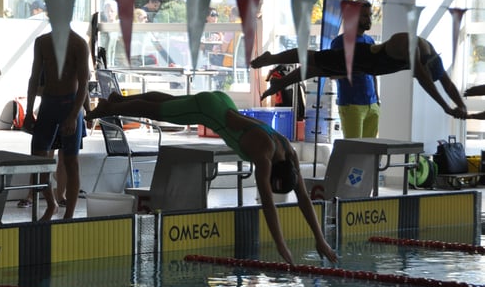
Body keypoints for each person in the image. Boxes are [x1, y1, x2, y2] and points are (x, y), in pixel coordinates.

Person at [85, 90, 338, 265]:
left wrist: (320, 240)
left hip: (221, 102)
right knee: (159, 111)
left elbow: (304, 198)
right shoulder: (264, 155)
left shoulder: (287, 152)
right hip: (209, 110)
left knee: (168, 104)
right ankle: (110, 107)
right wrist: (281, 244)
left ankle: (119, 99)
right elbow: (268, 206)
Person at [250, 32, 467, 119]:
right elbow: (425, 80)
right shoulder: (409, 44)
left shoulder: (433, 59)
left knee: (317, 69)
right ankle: (271, 58)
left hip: (365, 68)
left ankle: (281, 83)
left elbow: (447, 84)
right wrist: (445, 107)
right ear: (425, 64)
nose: (416, 74)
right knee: (313, 59)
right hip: (359, 57)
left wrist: (461, 106)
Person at [22, 29, 91, 221]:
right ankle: (51, 204)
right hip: (48, 105)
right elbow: (34, 77)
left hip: (70, 105)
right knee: (38, 160)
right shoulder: (42, 42)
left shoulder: (79, 44)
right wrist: (28, 111)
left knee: (71, 161)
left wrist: (74, 115)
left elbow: (84, 83)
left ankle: (69, 214)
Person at [330, 0, 380, 138]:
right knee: (353, 147)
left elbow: (373, 71)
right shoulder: (340, 42)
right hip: (351, 104)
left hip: (372, 104)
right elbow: (332, 73)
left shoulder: (370, 41)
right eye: (365, 16)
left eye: (370, 15)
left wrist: (377, 99)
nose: (369, 19)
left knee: (370, 148)